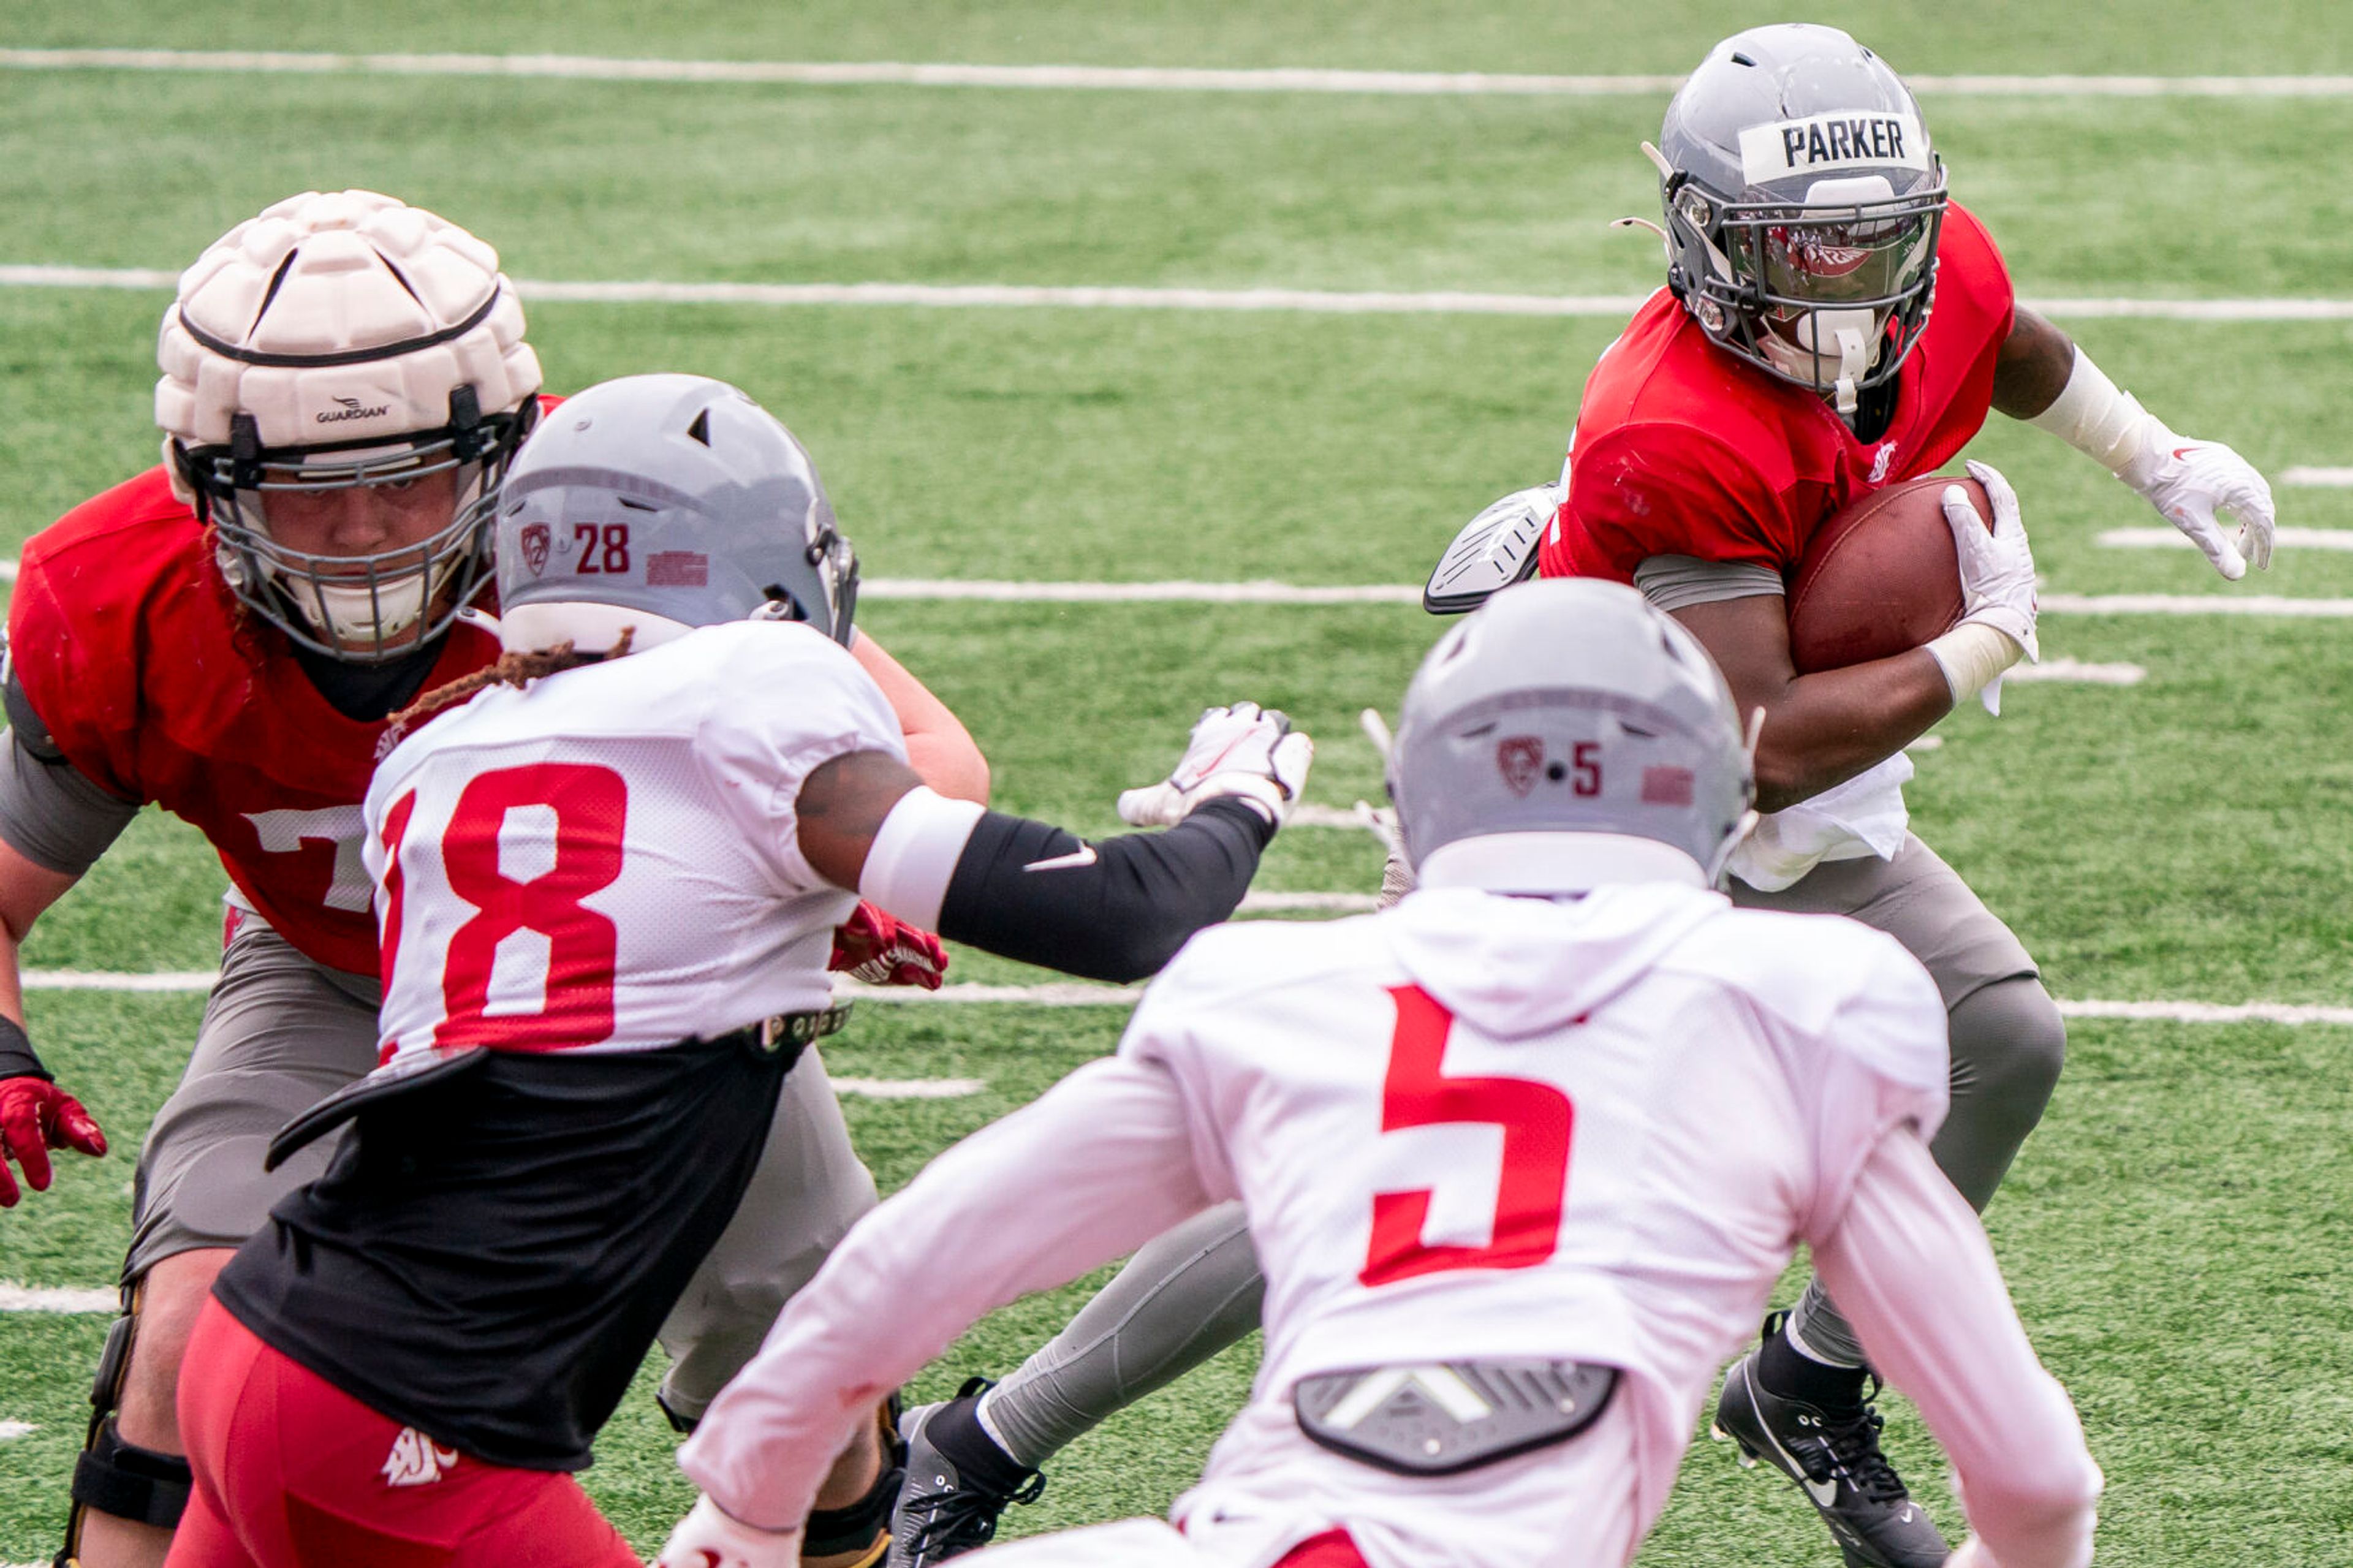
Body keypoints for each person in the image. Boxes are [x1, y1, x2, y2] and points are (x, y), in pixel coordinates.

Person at [884, 23, 2280, 1568]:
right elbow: (1755, 741)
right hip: (1590, 799)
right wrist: (1980, 640)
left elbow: (2005, 341)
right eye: (1801, 249)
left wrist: (2153, 454)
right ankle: (978, 1441)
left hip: (1755, 763)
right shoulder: (1673, 419)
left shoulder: (1925, 273)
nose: (1845, 283)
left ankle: (1808, 1375)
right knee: (1395, 1140)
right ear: (1700, 236)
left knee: (2002, 1034)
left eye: (1875, 242)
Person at [654, 577, 2103, 1568]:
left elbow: (904, 1270)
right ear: (1716, 797)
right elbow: (2038, 1483)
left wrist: (756, 1506)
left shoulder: (1276, 991)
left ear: (1422, 793)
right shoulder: (1809, 1003)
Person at [161, 371, 1315, 1568]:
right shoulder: (756, 687)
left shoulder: (433, 756)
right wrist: (1239, 795)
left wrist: (805, 911)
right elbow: (1124, 917)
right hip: (408, 1415)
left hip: (265, 1343)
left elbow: (601, 956)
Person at [0, 192, 986, 1568]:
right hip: (335, 967)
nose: (358, 534)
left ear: (504, 450)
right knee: (191, 1321)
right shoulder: (119, 597)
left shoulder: (628, 508)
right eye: (304, 489)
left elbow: (936, 754)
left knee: (819, 1350)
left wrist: (850, 849)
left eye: (403, 478)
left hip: (642, 986)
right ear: (203, 482)